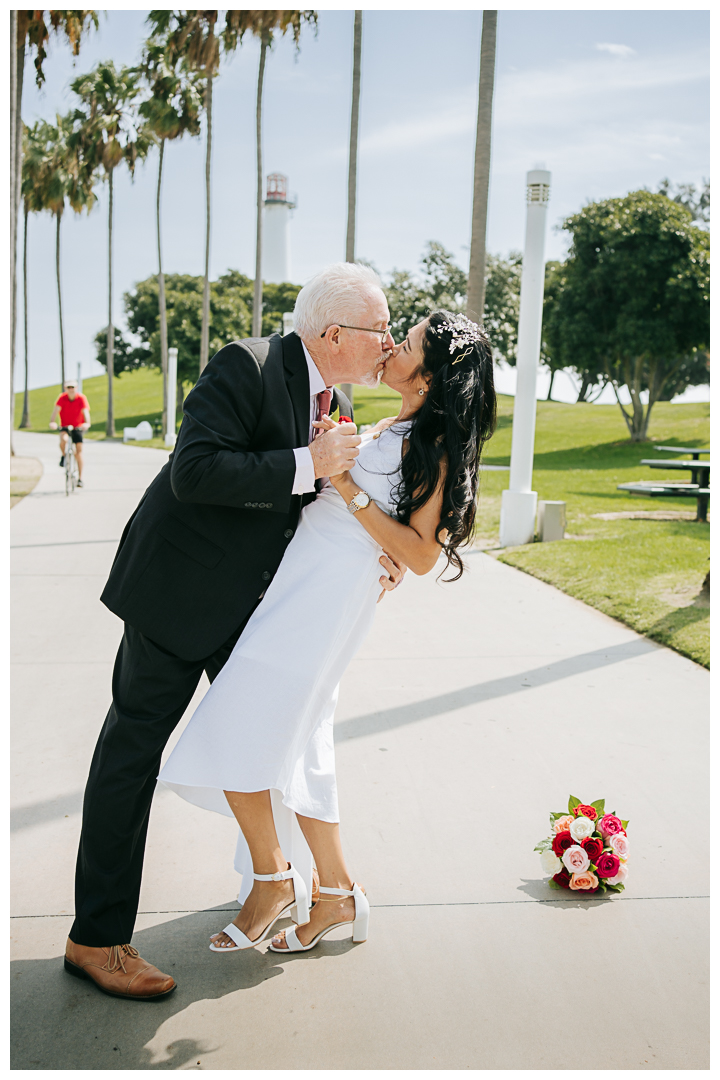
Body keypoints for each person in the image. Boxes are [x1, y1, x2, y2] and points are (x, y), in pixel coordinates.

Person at [65, 263, 405, 1001]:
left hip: (251, 609)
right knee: (131, 753)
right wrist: (305, 462)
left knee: (283, 736)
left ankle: (291, 886)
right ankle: (96, 939)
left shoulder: (334, 397)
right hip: (178, 596)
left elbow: (315, 506)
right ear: (336, 331)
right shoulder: (247, 366)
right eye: (381, 330)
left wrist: (383, 554)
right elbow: (194, 471)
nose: (388, 342)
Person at [157, 309, 496, 956]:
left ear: (432, 373)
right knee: (302, 739)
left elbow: (422, 555)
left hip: (324, 599)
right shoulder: (393, 423)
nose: (394, 346)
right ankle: (335, 890)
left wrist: (346, 486)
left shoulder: (438, 444)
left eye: (411, 343)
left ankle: (273, 880)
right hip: (297, 584)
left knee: (237, 724)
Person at [49, 380, 91, 487]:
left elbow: (85, 412)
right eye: (69, 387)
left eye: (73, 387)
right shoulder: (62, 398)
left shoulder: (81, 398)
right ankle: (64, 456)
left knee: (79, 452)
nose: (71, 389)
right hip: (65, 426)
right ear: (65, 388)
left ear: (76, 388)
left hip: (77, 427)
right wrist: (52, 422)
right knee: (63, 440)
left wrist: (87, 423)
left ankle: (80, 478)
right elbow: (55, 411)